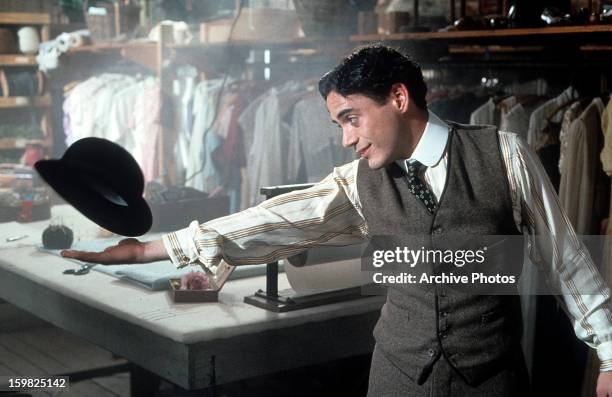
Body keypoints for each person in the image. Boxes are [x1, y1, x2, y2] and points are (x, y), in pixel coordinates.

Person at [62, 45, 612, 397]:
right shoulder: (357, 181)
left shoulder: (505, 153)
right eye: (338, 124)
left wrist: (609, 355)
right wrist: (149, 250)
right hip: (397, 379)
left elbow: (566, 260)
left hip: (492, 382)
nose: (347, 137)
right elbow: (270, 221)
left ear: (398, 97)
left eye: (352, 118)